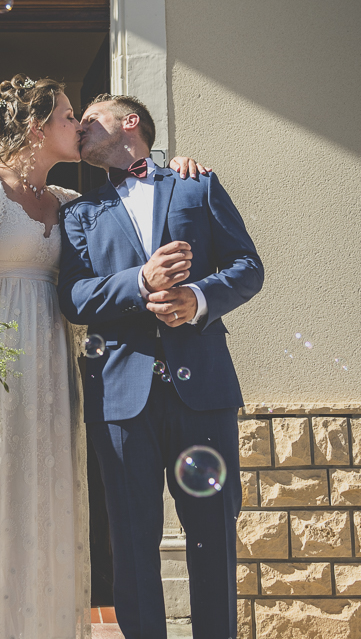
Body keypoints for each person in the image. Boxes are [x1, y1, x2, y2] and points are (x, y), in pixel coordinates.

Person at [0, 75, 207, 639]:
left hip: (51, 371)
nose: (80, 126)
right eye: (70, 116)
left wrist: (178, 166)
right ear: (35, 126)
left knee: (45, 499)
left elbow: (136, 203)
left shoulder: (71, 204)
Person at [58, 94, 264, 639]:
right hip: (121, 396)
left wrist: (197, 298)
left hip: (204, 392)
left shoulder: (196, 184)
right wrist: (140, 282)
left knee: (212, 536)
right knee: (130, 538)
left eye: (89, 119)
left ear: (130, 124)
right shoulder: (79, 213)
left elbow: (248, 267)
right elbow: (74, 297)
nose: (77, 128)